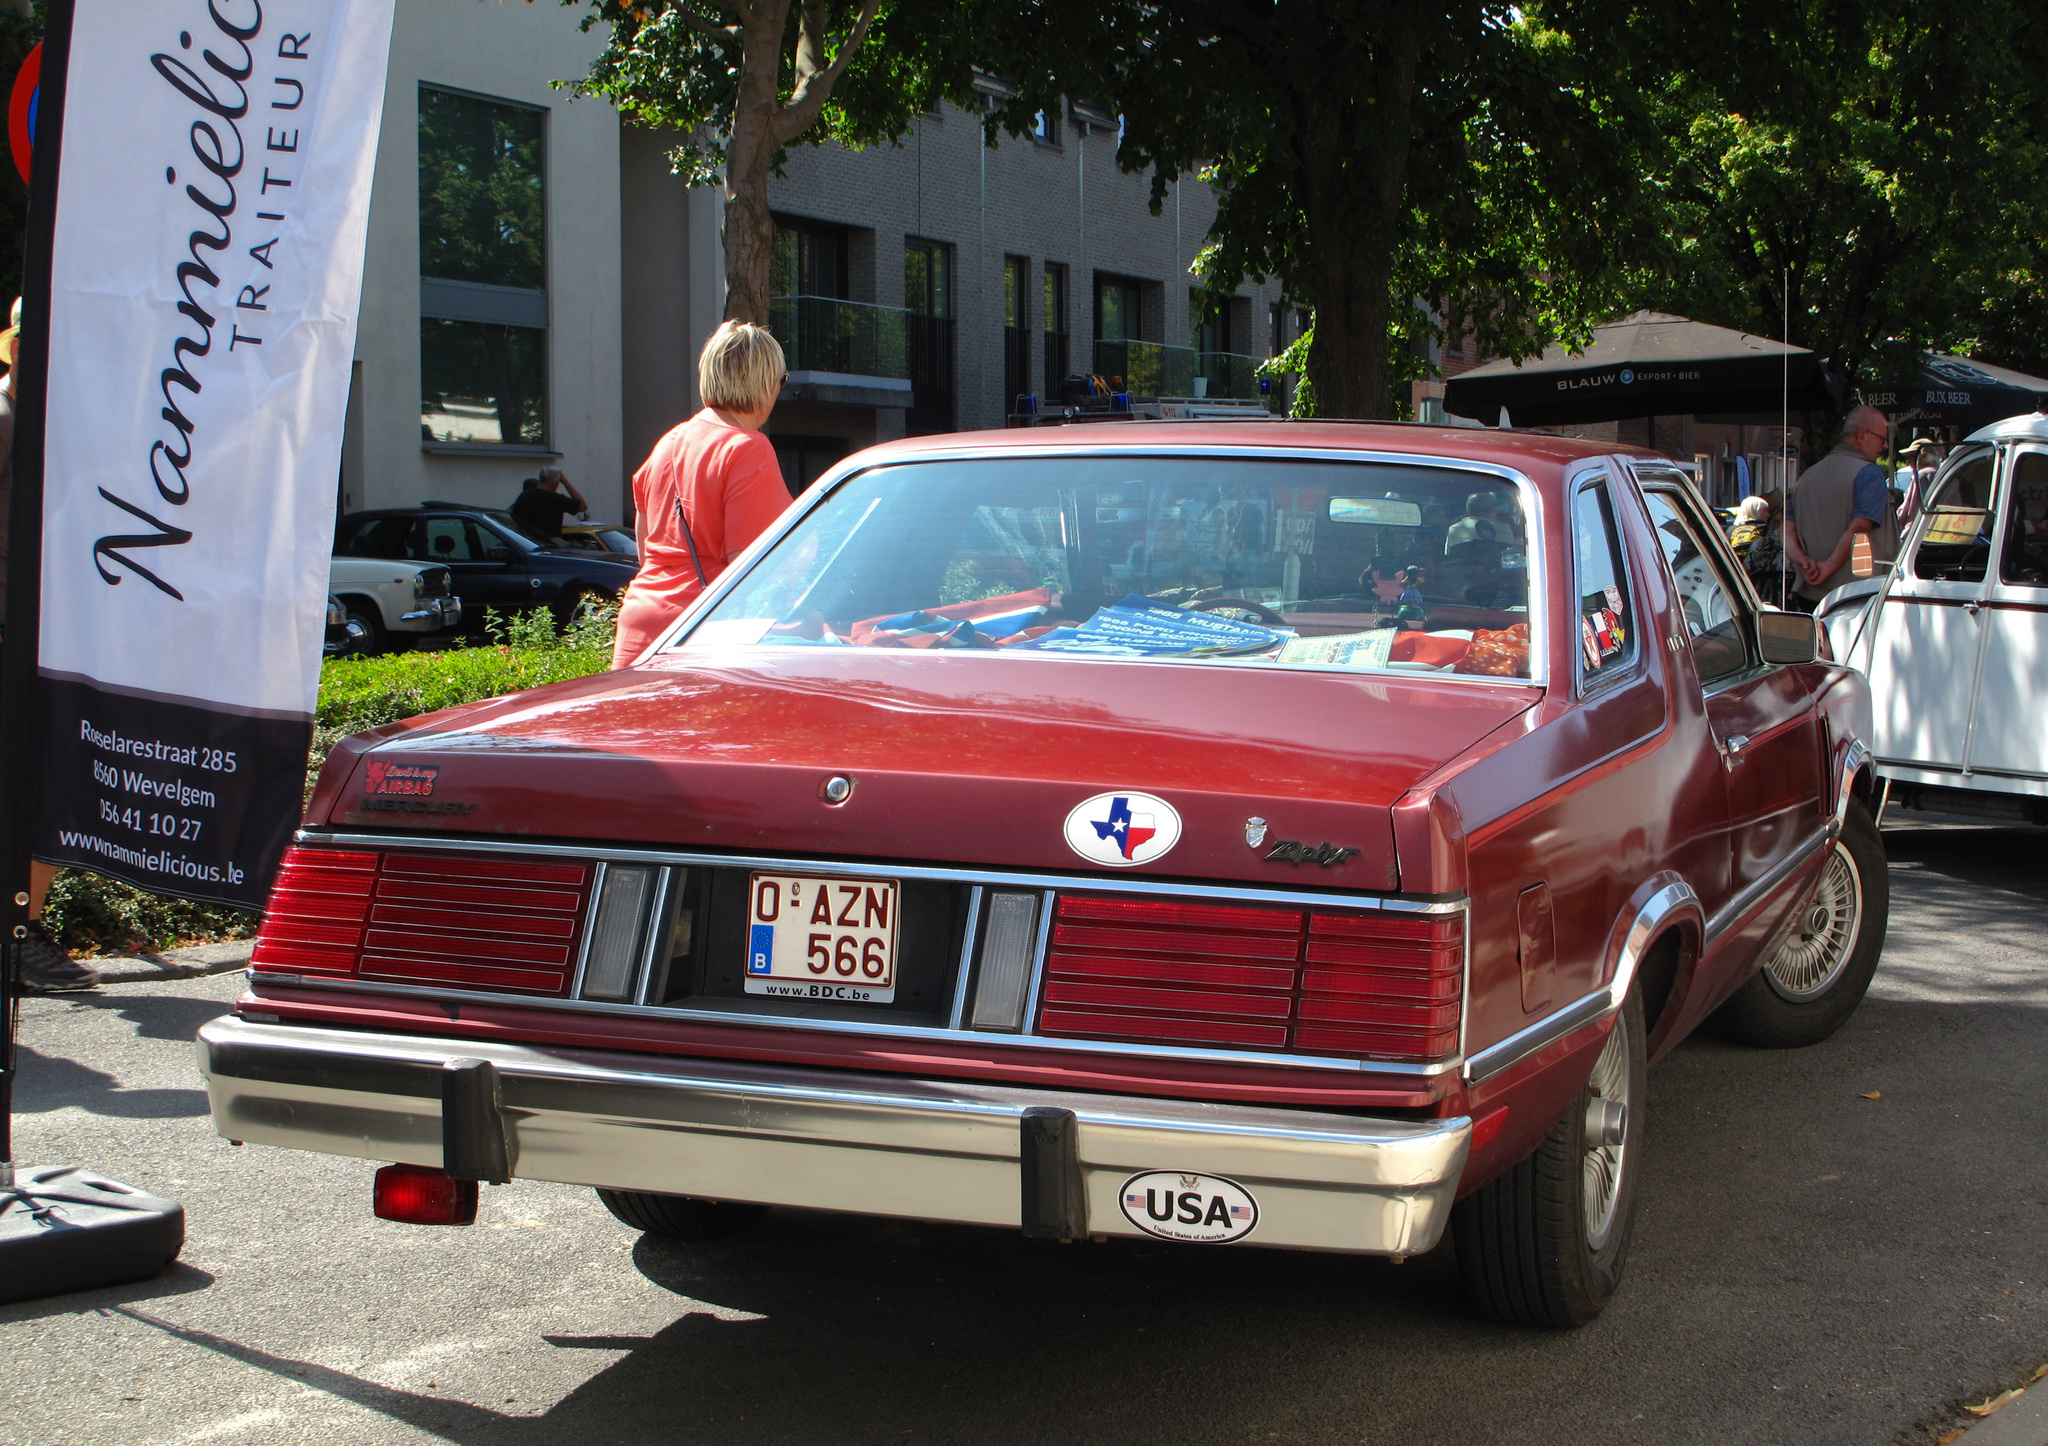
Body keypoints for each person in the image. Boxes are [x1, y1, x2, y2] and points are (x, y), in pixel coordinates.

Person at [0, 299, 95, 991]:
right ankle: (18, 935)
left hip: (47, 635)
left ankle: (22, 928)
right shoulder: (4, 420)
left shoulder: (55, 425)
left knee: (53, 790)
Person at [612, 321, 791, 669]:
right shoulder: (749, 449)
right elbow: (751, 568)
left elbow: (646, 548)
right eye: (781, 380)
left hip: (641, 623)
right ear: (764, 381)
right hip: (703, 634)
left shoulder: (667, 443)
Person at [1785, 405, 1894, 613]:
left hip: (1810, 595)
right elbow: (1860, 527)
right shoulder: (1870, 475)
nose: (1886, 445)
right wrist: (1829, 566)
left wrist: (1802, 561)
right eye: (1882, 438)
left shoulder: (1806, 477)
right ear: (1862, 435)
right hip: (1856, 596)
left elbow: (1787, 529)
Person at [509, 466, 588, 540]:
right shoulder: (556, 500)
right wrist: (565, 482)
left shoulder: (524, 496)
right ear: (555, 484)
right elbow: (583, 506)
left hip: (526, 544)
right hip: (549, 546)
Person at [1744, 491, 1789, 607]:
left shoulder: (1759, 544)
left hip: (1762, 606)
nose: (1769, 515)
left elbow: (1745, 571)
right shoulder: (1807, 548)